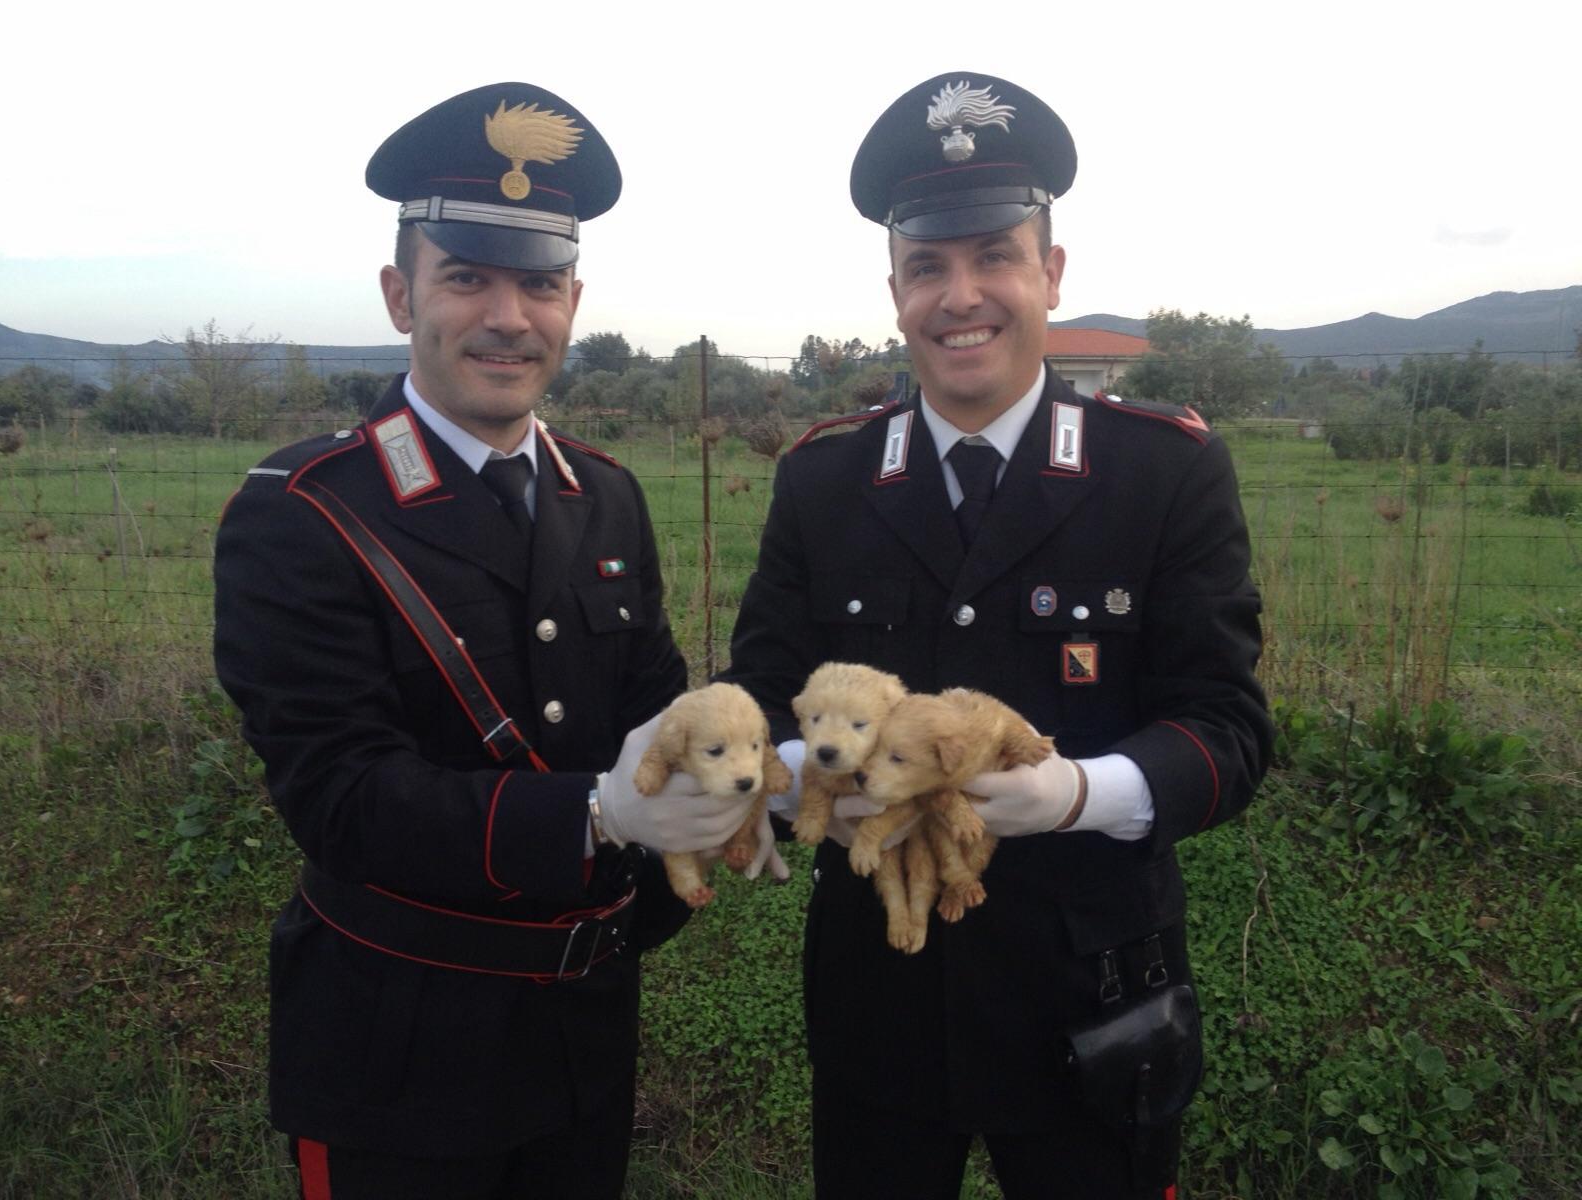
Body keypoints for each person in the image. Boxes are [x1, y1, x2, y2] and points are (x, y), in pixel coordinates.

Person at [725, 73, 1275, 1199]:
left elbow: (1226, 730)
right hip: (881, 992)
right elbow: (762, 693)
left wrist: (1078, 793)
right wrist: (792, 776)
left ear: (1050, 274)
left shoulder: (1159, 473)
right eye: (928, 265)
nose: (959, 295)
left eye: (993, 256)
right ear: (894, 289)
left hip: (1097, 998)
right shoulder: (825, 481)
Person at [213, 83, 756, 1200]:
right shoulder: (306, 510)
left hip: (581, 1039)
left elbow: (651, 710)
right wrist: (599, 813)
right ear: (398, 292)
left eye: (540, 283)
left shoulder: (601, 495)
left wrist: (744, 779)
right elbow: (341, 795)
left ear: (573, 301)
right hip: (393, 1051)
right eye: (467, 277)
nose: (509, 316)